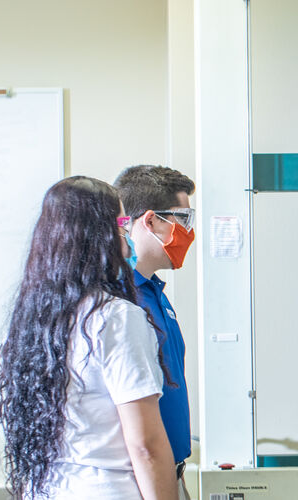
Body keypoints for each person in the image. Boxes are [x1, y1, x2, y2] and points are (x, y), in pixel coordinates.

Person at [0, 176, 177, 500]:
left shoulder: (32, 322)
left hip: (48, 489)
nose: (126, 232)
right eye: (121, 222)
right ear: (99, 234)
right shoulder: (116, 317)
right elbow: (145, 445)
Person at [114, 165, 196, 499]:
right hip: (138, 482)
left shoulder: (155, 292)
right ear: (150, 221)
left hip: (171, 473)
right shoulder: (120, 303)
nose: (189, 232)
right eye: (183, 220)